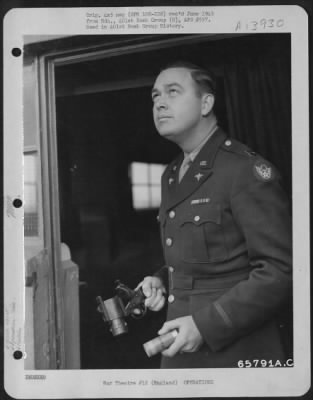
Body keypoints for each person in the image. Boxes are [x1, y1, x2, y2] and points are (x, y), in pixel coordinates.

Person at [137, 61, 292, 368]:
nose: (160, 103)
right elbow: (201, 254)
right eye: (155, 96)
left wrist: (207, 325)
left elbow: (280, 270)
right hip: (179, 348)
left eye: (172, 92)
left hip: (234, 352)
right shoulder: (172, 174)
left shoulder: (243, 170)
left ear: (206, 102)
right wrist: (161, 279)